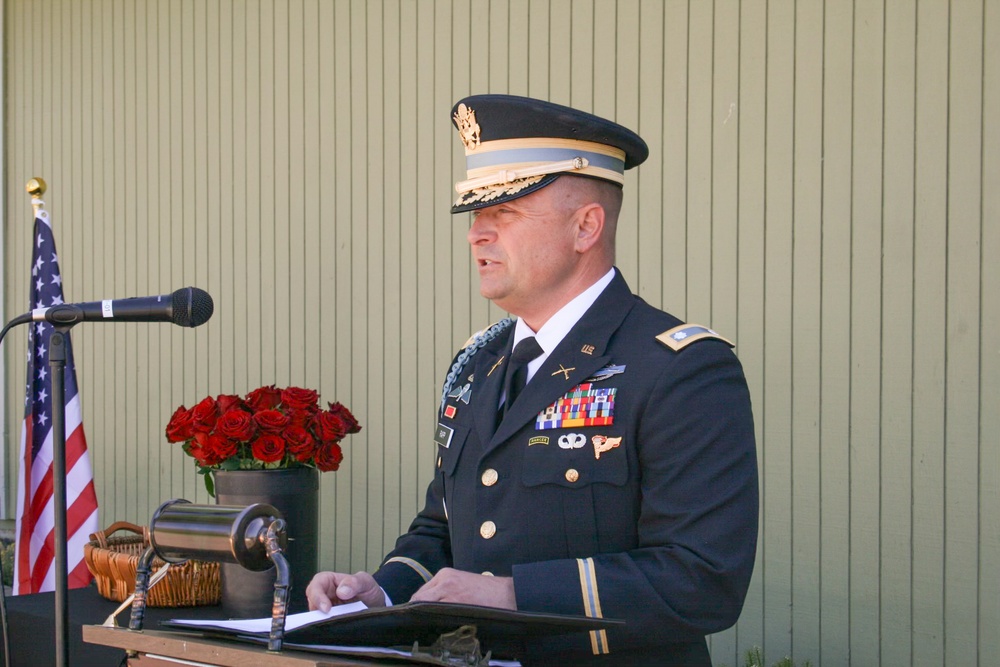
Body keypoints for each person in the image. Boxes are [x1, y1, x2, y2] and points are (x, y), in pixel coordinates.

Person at [307, 94, 759, 666]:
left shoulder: (679, 369)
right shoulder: (477, 362)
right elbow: (441, 529)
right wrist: (384, 590)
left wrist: (511, 594)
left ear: (586, 227)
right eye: (475, 214)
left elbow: (703, 579)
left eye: (506, 213)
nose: (477, 235)